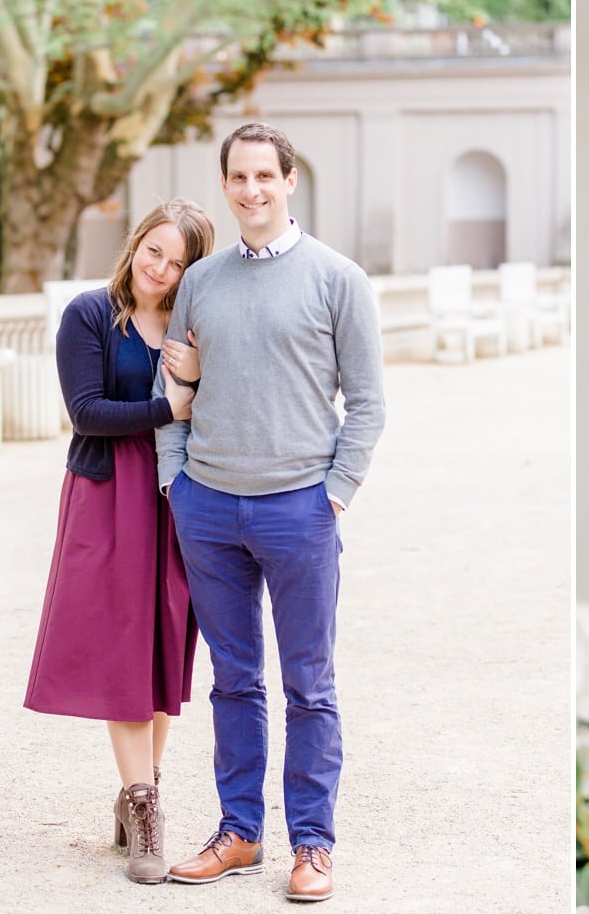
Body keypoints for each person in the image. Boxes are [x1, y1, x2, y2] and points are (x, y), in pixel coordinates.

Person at [154, 121, 385, 903]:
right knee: (233, 680)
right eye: (238, 178)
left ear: (290, 180)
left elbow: (369, 403)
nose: (251, 190)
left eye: (265, 176)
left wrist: (335, 491)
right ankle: (240, 831)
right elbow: (174, 389)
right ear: (225, 186)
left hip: (299, 508)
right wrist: (173, 482)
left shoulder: (337, 278)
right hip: (209, 504)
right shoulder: (202, 281)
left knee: (310, 685)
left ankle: (313, 845)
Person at [24, 198, 216, 885]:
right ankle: (145, 809)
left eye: (177, 261)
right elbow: (86, 412)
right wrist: (169, 405)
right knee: (123, 651)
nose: (159, 268)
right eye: (153, 251)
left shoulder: (192, 324)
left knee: (165, 648)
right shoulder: (89, 315)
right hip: (108, 496)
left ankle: (142, 787)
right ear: (136, 244)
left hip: (174, 497)